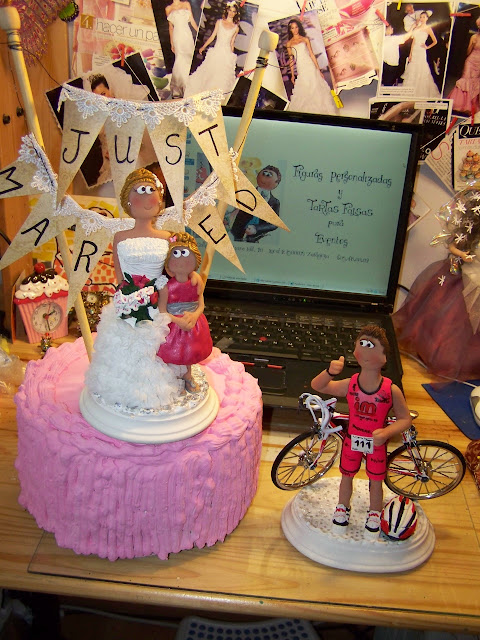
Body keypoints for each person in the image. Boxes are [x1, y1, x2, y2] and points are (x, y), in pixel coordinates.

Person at [85, 168, 203, 409]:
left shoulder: (168, 237)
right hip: (128, 300)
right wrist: (127, 297)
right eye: (140, 191)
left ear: (159, 200)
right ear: (128, 200)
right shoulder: (120, 237)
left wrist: (193, 275)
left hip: (159, 301)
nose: (147, 198)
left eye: (152, 192)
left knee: (162, 344)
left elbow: (175, 266)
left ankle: (179, 376)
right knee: (125, 346)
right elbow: (120, 274)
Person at [311, 325, 411, 533]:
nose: (364, 350)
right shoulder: (351, 384)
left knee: (376, 479)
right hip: (352, 439)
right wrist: (329, 372)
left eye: (371, 345)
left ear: (384, 357)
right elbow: (318, 386)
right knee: (346, 475)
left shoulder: (391, 390)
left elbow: (405, 419)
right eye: (361, 344)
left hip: (376, 443)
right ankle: (342, 506)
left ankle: (374, 511)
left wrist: (386, 433)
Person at [393, 185, 480, 380]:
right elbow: (453, 246)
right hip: (464, 279)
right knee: (451, 324)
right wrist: (463, 255)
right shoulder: (470, 234)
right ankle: (445, 359)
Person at [157, 232, 213, 392]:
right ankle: (174, 378)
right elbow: (162, 311)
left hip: (193, 324)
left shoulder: (196, 282)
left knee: (189, 352)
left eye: (185, 253)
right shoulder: (166, 287)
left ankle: (187, 375)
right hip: (174, 325)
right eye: (175, 254)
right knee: (173, 353)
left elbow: (201, 304)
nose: (181, 259)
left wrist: (195, 316)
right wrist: (178, 321)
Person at [185, 1, 240, 104]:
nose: (231, 13)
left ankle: (213, 99)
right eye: (230, 10)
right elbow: (213, 36)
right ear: (227, 10)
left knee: (221, 76)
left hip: (226, 54)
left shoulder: (236, 28)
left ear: (236, 13)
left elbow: (232, 43)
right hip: (216, 51)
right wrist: (203, 47)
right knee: (209, 72)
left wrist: (232, 58)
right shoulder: (219, 22)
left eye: (233, 11)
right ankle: (203, 96)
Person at [285, 18, 337, 115]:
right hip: (301, 67)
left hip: (309, 65)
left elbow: (312, 54)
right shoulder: (289, 44)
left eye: (296, 27)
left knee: (315, 85)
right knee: (305, 86)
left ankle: (320, 110)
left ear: (299, 28)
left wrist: (318, 70)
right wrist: (292, 75)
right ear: (290, 30)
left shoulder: (305, 39)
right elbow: (291, 60)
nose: (295, 30)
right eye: (292, 28)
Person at [230, 166, 281, 242]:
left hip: (257, 237)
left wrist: (256, 228)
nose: (264, 177)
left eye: (269, 175)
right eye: (263, 173)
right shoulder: (246, 193)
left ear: (276, 183)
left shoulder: (275, 202)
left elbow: (275, 224)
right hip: (236, 234)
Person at [401, 11, 440, 98]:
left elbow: (435, 41)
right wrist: (410, 54)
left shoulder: (428, 28)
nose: (422, 19)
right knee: (412, 69)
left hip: (421, 51)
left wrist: (427, 47)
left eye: (424, 17)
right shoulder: (417, 28)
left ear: (427, 18)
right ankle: (409, 91)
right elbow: (413, 41)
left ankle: (420, 91)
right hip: (415, 51)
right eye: (421, 17)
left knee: (421, 69)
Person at [166, 0, 198, 98]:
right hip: (177, 36)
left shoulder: (186, 4)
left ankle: (190, 86)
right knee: (180, 59)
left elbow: (192, 20)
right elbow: (170, 27)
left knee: (189, 58)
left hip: (187, 35)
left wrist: (198, 31)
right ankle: (180, 88)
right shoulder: (168, 8)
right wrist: (172, 43)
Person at [448, 16, 480, 114]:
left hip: (479, 64)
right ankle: (459, 104)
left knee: (474, 83)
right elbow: (468, 52)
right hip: (470, 62)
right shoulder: (473, 37)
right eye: (478, 26)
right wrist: (473, 44)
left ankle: (471, 105)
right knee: (465, 80)